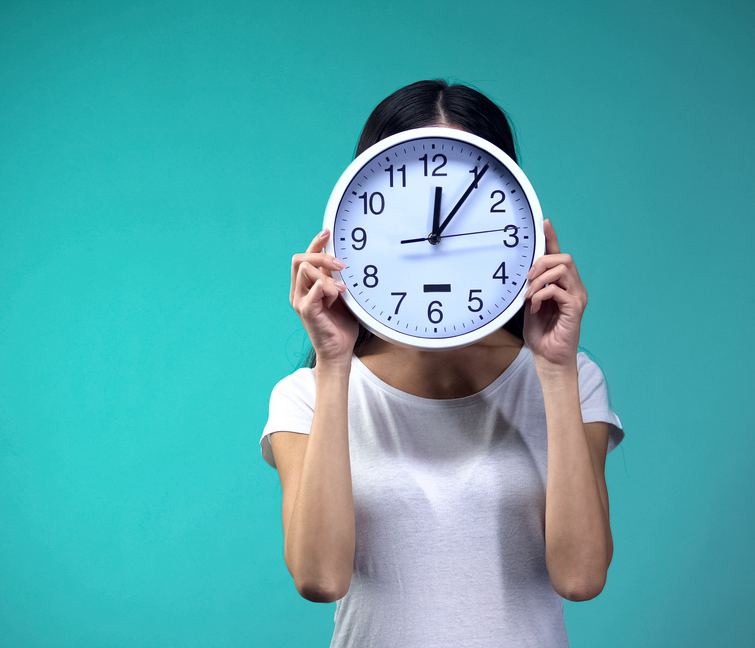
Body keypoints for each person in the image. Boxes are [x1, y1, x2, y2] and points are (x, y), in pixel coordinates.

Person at [261, 79, 623, 647]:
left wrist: (555, 371)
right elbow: (320, 577)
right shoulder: (305, 395)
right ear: (360, 220)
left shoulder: (572, 380)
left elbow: (580, 578)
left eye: (468, 198)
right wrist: (333, 365)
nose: (434, 239)